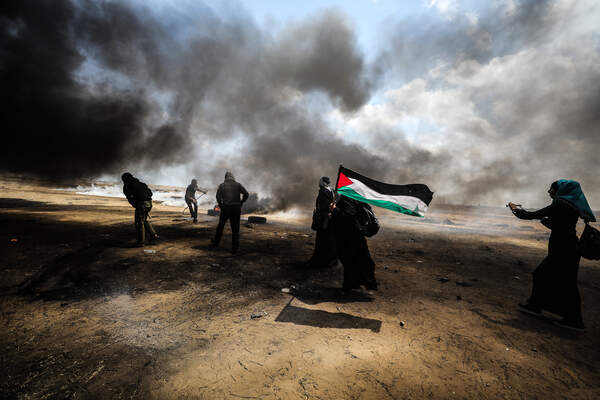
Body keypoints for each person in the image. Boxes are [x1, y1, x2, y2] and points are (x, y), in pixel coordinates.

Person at [509, 179, 595, 331]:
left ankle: (573, 320)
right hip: (567, 248)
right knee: (556, 279)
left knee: (549, 277)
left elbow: (530, 215)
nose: (549, 192)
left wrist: (514, 208)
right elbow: (561, 225)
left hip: (564, 249)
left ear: (561, 191)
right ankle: (536, 306)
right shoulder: (571, 206)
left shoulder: (560, 204)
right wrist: (547, 222)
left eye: (551, 189)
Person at [332, 195, 378, 292]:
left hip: (350, 236)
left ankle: (353, 284)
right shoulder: (357, 201)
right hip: (353, 236)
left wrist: (334, 210)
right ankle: (357, 283)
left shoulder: (348, 202)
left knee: (352, 261)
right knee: (355, 260)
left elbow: (343, 218)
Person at [211, 171, 249, 253]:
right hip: (236, 208)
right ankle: (234, 248)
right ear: (233, 177)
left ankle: (216, 243)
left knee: (220, 226)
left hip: (225, 208)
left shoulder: (222, 185)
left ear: (225, 177)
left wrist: (221, 205)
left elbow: (217, 197)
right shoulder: (238, 185)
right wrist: (241, 202)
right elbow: (246, 194)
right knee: (235, 229)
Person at [122, 172, 159, 247]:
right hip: (149, 203)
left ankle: (141, 242)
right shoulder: (141, 183)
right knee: (144, 220)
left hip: (141, 204)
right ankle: (153, 235)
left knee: (139, 223)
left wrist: (136, 204)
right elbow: (150, 193)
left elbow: (129, 198)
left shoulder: (127, 186)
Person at [307, 176, 337, 268]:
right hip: (330, 218)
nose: (318, 184)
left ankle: (323, 261)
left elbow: (323, 206)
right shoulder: (332, 190)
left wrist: (320, 212)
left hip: (324, 219)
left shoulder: (323, 192)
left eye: (320, 182)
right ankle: (331, 260)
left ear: (322, 183)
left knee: (322, 239)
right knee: (329, 239)